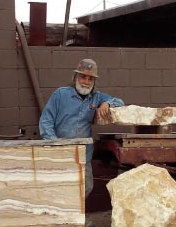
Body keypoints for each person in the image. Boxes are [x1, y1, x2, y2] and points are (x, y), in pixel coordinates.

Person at [39, 58, 124, 197]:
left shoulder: (96, 97)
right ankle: (65, 218)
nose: (86, 82)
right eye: (83, 77)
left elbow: (120, 102)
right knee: (60, 189)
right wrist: (53, 141)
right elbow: (46, 120)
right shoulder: (60, 94)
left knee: (86, 187)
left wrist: (107, 103)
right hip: (61, 152)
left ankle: (75, 217)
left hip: (83, 154)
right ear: (75, 77)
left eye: (90, 79)